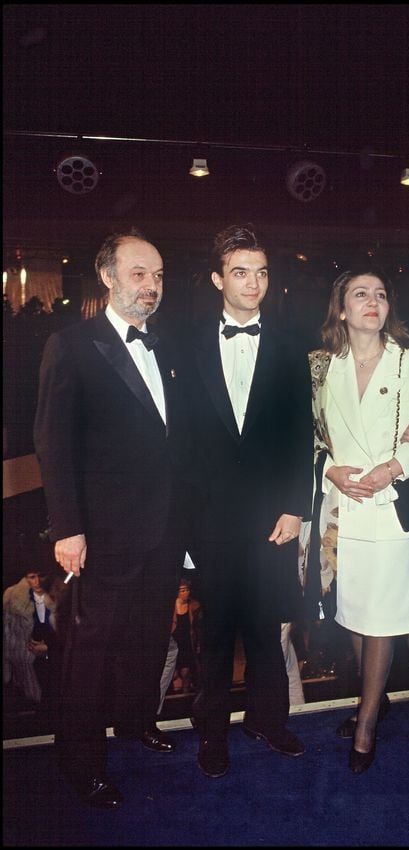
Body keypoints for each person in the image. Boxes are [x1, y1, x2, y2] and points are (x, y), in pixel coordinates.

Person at [33, 228, 193, 809]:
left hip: (165, 526)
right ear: (107, 276)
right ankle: (81, 763)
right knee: (89, 653)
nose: (151, 286)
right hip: (100, 533)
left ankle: (135, 722)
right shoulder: (71, 344)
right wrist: (68, 528)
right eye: (138, 274)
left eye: (157, 276)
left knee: (150, 636)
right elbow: (53, 444)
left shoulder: (170, 344)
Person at [306, 265, 409, 773]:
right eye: (360, 294)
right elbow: (311, 439)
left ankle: (366, 722)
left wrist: (393, 467)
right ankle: (377, 698)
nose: (372, 301)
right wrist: (332, 472)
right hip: (342, 511)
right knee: (352, 612)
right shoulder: (320, 367)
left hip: (391, 510)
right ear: (341, 308)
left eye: (381, 294)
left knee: (382, 619)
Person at [184, 223, 313, 778]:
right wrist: (185, 527)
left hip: (270, 519)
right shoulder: (183, 343)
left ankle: (269, 721)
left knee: (267, 629)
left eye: (261, 272)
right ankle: (212, 735)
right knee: (213, 637)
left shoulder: (289, 344)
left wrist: (294, 505)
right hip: (209, 520)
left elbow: (298, 432)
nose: (254, 283)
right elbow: (179, 441)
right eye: (241, 272)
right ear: (218, 279)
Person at [3, 568, 59, 708]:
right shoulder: (13, 596)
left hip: (54, 659)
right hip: (26, 661)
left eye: (41, 576)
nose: (38, 581)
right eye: (32, 577)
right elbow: (8, 633)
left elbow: (69, 632)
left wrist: (50, 648)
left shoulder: (60, 593)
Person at [169, 578, 202, 696]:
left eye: (187, 590)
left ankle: (185, 697)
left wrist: (198, 644)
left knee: (186, 672)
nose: (185, 593)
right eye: (182, 590)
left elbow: (198, 627)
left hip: (187, 643)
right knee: (172, 675)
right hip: (173, 644)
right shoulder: (170, 606)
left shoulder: (194, 605)